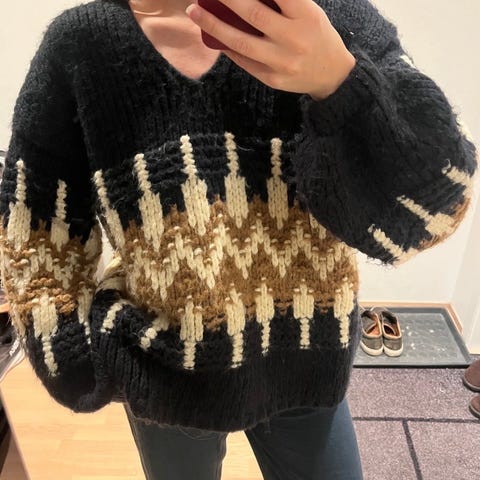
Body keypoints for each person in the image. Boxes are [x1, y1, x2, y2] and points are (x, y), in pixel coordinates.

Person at [0, 0, 477, 478]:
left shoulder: (330, 17)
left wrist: (342, 84)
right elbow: (35, 217)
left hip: (309, 361)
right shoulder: (81, 46)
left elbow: (439, 207)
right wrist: (77, 355)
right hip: (166, 376)